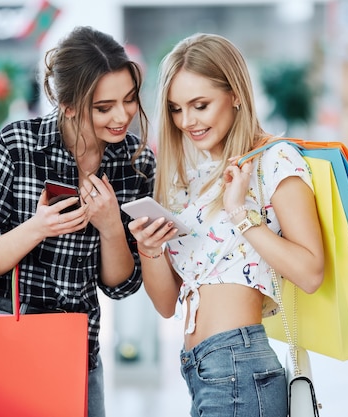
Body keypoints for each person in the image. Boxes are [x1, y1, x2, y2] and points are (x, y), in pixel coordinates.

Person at [0, 26, 156, 417]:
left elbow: (121, 287)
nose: (122, 116)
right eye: (104, 107)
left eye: (129, 100)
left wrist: (112, 226)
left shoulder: (137, 162)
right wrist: (39, 227)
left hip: (77, 351)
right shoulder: (17, 146)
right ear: (67, 105)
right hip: (1, 345)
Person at [128, 33, 324, 417]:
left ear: (235, 94)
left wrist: (239, 213)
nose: (187, 122)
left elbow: (311, 271)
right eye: (176, 109)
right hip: (199, 369)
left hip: (238, 364)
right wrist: (149, 248)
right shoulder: (191, 180)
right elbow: (167, 305)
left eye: (200, 105)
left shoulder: (273, 161)